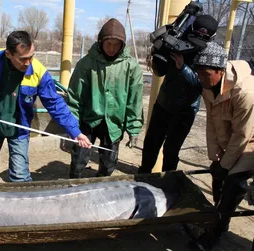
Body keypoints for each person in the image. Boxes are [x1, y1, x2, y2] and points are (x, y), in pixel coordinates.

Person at [0, 30, 91, 183]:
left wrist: (75, 132)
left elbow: (55, 104)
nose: (28, 62)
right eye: (23, 59)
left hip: (19, 128)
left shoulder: (39, 72)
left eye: (31, 56)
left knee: (19, 176)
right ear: (8, 54)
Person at [139, 15, 219, 173]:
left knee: (171, 151)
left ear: (211, 38)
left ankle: (168, 181)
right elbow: (160, 72)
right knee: (151, 145)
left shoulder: (210, 53)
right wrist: (157, 54)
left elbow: (201, 84)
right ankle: (143, 176)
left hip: (186, 110)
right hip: (164, 104)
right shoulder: (176, 41)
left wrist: (182, 67)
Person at [193, 42, 254, 250]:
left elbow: (242, 134)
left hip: (250, 141)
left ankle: (215, 232)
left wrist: (226, 165)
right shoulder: (208, 86)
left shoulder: (245, 92)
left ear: (220, 71)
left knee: (233, 183)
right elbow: (212, 122)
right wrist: (215, 157)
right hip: (233, 139)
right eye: (198, 73)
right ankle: (221, 220)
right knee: (217, 177)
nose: (200, 79)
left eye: (205, 74)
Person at [67, 18, 144, 178]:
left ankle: (101, 184)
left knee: (109, 162)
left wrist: (133, 129)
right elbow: (75, 96)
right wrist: (72, 125)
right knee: (80, 157)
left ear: (122, 45)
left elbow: (134, 100)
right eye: (108, 44)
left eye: (116, 45)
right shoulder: (86, 63)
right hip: (89, 118)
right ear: (101, 42)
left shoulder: (131, 66)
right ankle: (73, 184)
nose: (111, 48)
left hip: (114, 122)